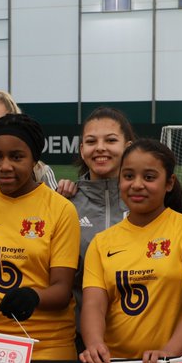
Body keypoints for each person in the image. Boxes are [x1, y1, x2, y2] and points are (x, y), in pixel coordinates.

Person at [79, 139, 182, 363]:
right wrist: (94, 344)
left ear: (169, 182)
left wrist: (168, 353)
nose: (137, 185)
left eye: (150, 177)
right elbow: (94, 305)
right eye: (129, 176)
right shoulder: (101, 242)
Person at [0, 113, 80, 360]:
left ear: (34, 160)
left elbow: (61, 289)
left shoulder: (60, 209)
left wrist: (33, 296)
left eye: (16, 157)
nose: (4, 166)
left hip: (49, 346)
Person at [58, 107, 136, 276]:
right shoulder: (65, 203)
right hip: (80, 303)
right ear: (81, 150)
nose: (100, 148)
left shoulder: (143, 200)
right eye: (91, 142)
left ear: (128, 147)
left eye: (110, 140)